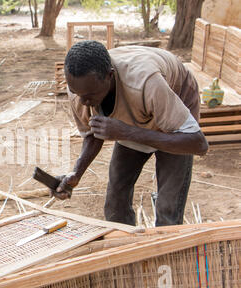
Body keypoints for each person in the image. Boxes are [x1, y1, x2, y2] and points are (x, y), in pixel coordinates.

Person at [52, 40, 208, 226]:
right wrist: (76, 173)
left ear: (110, 76)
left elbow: (198, 143)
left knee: (168, 207)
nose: (84, 102)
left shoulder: (146, 82)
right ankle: (125, 246)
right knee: (115, 200)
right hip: (134, 116)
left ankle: (164, 250)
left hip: (175, 114)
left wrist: (127, 132)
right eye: (77, 93)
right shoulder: (80, 89)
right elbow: (93, 134)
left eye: (90, 96)